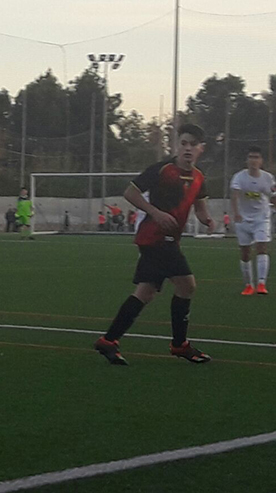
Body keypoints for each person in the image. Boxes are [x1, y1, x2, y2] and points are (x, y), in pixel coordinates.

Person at [93, 124, 215, 366]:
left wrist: (207, 220)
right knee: (187, 285)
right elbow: (130, 192)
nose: (187, 148)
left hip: (166, 240)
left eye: (193, 144)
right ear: (177, 145)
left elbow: (200, 208)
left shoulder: (199, 178)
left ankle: (109, 341)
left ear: (201, 149)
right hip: (155, 237)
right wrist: (155, 212)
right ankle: (179, 345)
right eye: (183, 143)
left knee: (145, 292)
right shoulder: (162, 170)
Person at [230, 145, 276, 296]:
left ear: (261, 161)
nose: (253, 160)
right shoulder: (239, 177)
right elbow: (235, 195)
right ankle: (248, 285)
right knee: (245, 253)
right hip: (243, 219)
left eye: (256, 157)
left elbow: (273, 195)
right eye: (251, 157)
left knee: (262, 247)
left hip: (261, 219)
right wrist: (236, 213)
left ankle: (261, 283)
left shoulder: (268, 178)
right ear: (247, 160)